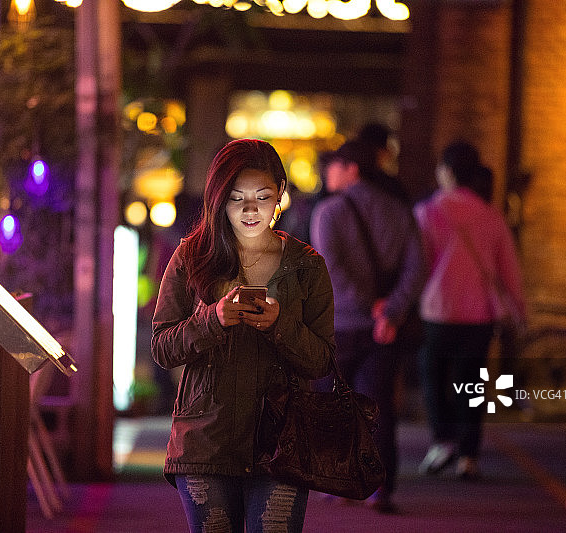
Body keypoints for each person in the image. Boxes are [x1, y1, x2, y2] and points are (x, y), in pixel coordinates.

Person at [151, 138, 335, 532]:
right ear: (219, 200)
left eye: (263, 196)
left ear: (280, 192)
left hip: (281, 441)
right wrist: (213, 319)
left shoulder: (306, 266)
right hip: (205, 442)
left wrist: (280, 326)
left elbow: (322, 360)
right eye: (237, 198)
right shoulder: (191, 257)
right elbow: (162, 346)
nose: (251, 210)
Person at [310, 140, 424, 513]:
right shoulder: (398, 211)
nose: (328, 173)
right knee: (378, 407)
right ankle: (381, 487)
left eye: (334, 165)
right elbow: (415, 266)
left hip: (340, 325)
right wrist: (390, 311)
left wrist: (366, 306)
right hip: (383, 329)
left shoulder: (328, 213)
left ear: (352, 169)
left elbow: (331, 269)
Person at [413, 141, 526, 480]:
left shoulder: (427, 212)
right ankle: (469, 456)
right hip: (479, 314)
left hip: (438, 310)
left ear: (446, 172)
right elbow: (509, 268)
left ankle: (443, 440)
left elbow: (419, 265)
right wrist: (519, 310)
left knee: (433, 376)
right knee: (472, 384)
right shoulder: (490, 215)